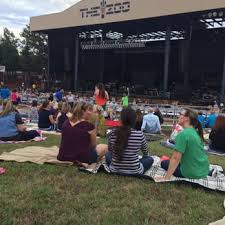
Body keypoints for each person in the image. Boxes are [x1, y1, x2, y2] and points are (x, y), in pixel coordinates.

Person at [156, 108, 209, 180]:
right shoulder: (194, 132)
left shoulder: (183, 134)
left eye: (180, 114)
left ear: (187, 119)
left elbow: (175, 158)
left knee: (164, 163)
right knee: (168, 161)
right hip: (203, 171)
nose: (178, 116)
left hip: (191, 173)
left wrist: (166, 177)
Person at [105, 107, 154, 175]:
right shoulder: (139, 134)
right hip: (135, 171)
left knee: (107, 154)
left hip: (115, 169)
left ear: (121, 120)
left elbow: (110, 150)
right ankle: (132, 164)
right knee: (150, 159)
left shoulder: (113, 133)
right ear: (134, 120)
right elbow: (146, 153)